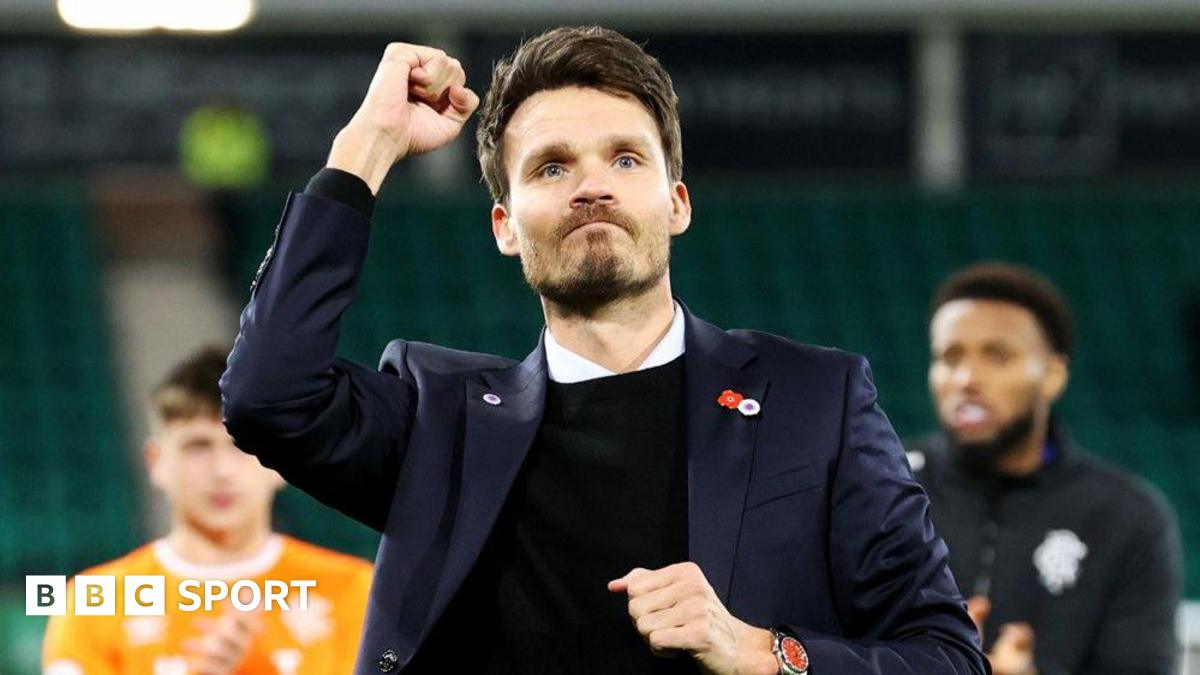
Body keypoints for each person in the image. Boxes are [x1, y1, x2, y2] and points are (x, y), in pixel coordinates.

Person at [220, 26, 986, 675]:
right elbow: (265, 395)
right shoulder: (437, 420)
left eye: (625, 159)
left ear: (676, 202)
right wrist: (370, 143)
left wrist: (761, 649)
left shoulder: (816, 399)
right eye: (552, 167)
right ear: (504, 226)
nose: (592, 186)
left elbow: (948, 655)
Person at [909, 262, 1182, 675]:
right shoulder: (880, 487)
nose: (966, 378)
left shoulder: (1128, 518)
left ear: (1053, 375)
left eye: (997, 356)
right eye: (950, 357)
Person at [43, 346, 373, 675]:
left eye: (244, 447)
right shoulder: (94, 601)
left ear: (282, 461)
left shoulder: (357, 592)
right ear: (156, 462)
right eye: (198, 446)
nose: (222, 470)